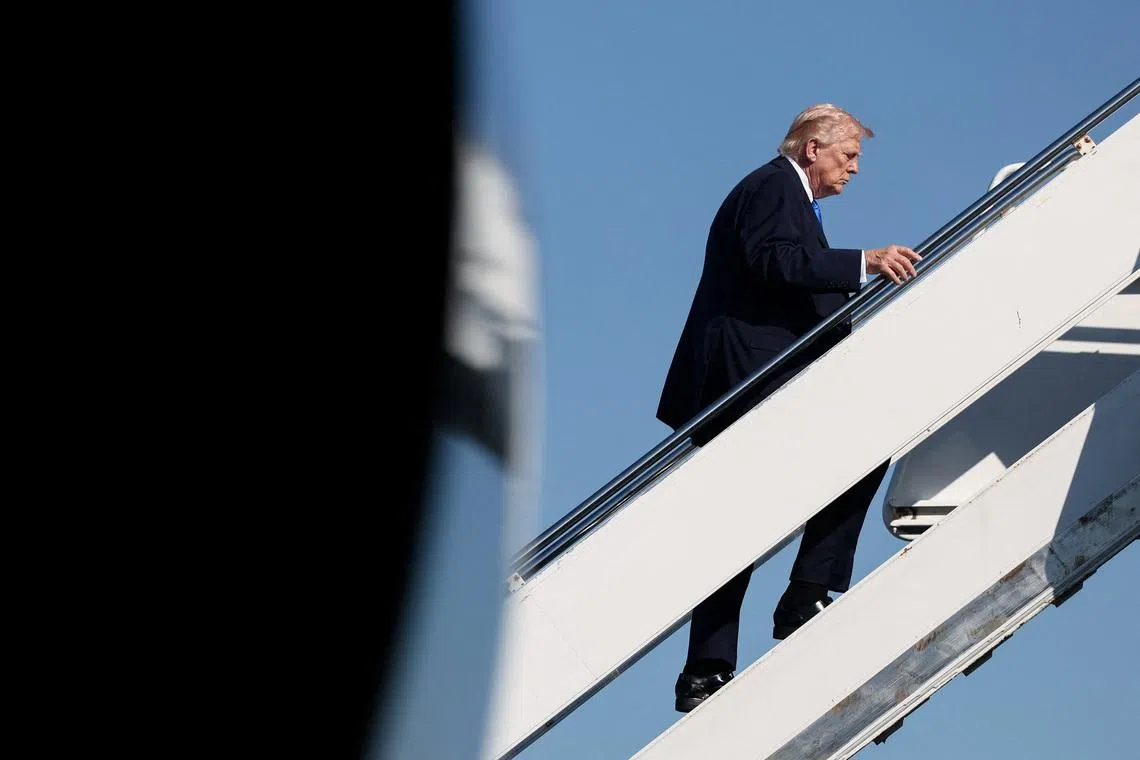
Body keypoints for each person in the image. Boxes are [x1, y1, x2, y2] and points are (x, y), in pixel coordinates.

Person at [655, 104, 921, 713]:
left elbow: (789, 279)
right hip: (747, 376)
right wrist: (866, 262)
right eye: (848, 156)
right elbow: (774, 263)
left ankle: (708, 667)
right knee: (859, 454)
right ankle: (802, 595)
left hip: (753, 372)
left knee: (739, 524)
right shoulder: (775, 188)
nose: (855, 170)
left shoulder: (784, 194)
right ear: (812, 150)